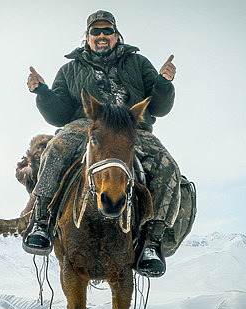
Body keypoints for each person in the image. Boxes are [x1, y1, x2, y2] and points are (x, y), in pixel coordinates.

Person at [24, 10, 180, 278]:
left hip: (131, 127)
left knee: (167, 167)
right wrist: (42, 92)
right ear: (87, 37)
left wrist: (164, 83)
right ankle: (41, 220)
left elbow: (159, 107)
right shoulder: (70, 70)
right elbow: (58, 115)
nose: (101, 36)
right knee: (56, 148)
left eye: (107, 31)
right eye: (95, 32)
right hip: (87, 125)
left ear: (117, 35)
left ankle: (152, 243)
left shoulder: (138, 63)